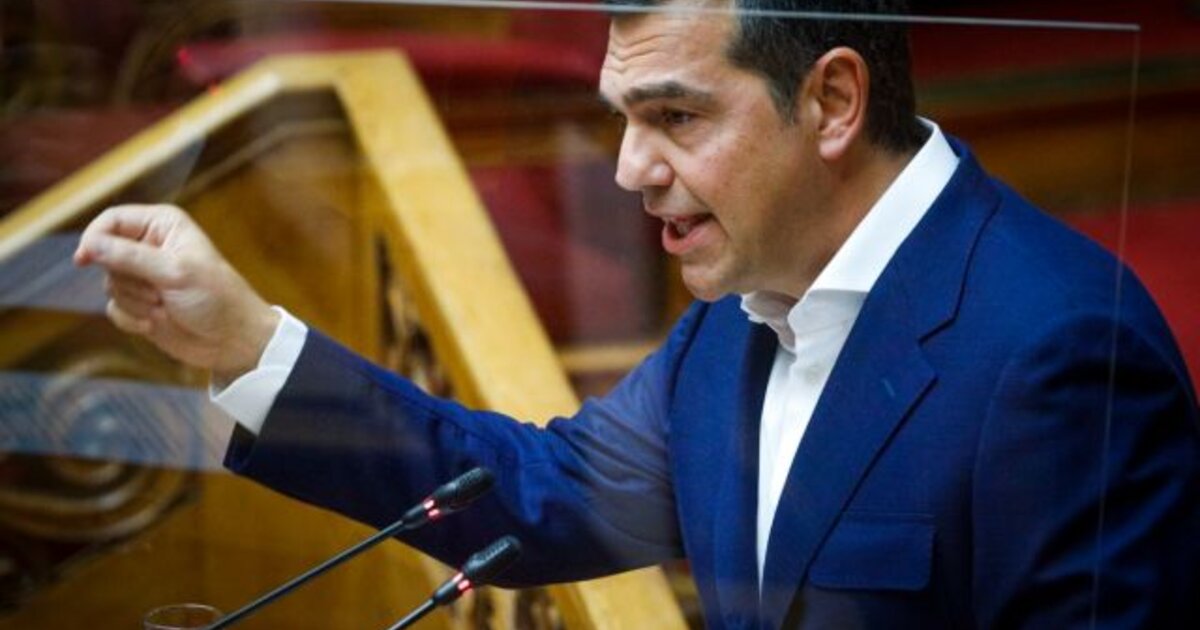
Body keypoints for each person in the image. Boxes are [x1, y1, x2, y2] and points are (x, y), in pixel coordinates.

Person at [73, 0, 1200, 628]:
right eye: (621, 117)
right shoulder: (745, 305)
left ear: (833, 101)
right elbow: (544, 495)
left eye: (675, 119)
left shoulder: (1061, 356)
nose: (628, 170)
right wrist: (248, 343)